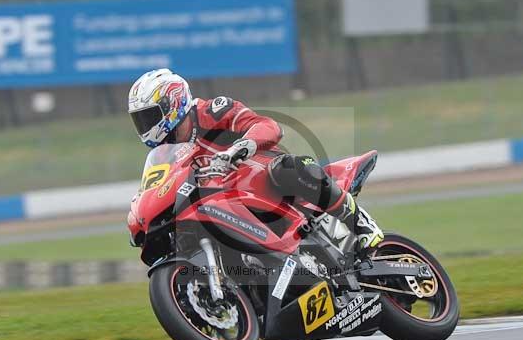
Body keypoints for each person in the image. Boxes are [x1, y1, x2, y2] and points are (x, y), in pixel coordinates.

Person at [127, 68, 383, 250]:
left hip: (262, 179)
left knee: (287, 167)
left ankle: (359, 222)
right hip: (224, 205)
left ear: (173, 103)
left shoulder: (213, 111)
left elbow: (269, 126)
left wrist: (241, 147)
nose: (145, 126)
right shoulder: (165, 153)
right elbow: (155, 187)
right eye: (140, 119)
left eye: (149, 116)